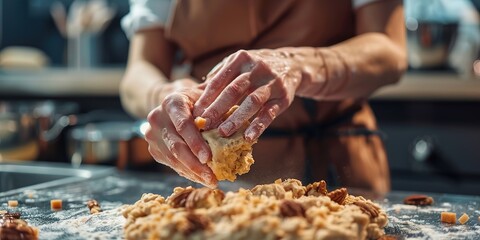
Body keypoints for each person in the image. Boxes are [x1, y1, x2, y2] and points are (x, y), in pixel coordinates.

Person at [120, 0, 407, 193]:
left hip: (338, 164)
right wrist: (164, 94)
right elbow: (141, 69)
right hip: (213, 182)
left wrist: (296, 65)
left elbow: (388, 50)